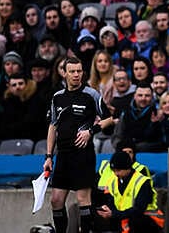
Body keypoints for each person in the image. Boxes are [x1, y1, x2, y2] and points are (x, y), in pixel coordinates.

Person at [44, 57, 104, 233]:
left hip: (83, 154)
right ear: (65, 73)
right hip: (63, 154)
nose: (76, 74)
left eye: (79, 71)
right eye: (72, 71)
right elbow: (53, 126)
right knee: (55, 200)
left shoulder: (91, 94)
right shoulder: (57, 97)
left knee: (83, 199)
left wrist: (90, 131)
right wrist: (48, 156)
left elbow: (109, 119)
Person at [95, 151, 164, 232]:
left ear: (128, 168)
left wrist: (115, 214)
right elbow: (111, 202)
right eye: (114, 170)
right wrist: (108, 210)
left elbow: (139, 209)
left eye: (119, 170)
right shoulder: (113, 181)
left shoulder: (142, 182)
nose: (116, 173)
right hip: (124, 218)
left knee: (137, 221)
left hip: (147, 220)